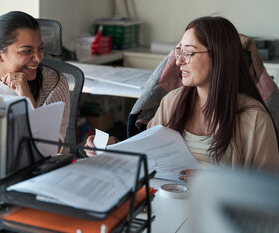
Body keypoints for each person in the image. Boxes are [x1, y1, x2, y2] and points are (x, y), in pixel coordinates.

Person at [85, 16, 279, 180]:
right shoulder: (172, 102)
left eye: (189, 53)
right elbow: (146, 155)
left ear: (219, 57)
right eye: (179, 51)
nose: (178, 61)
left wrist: (214, 181)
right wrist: (114, 148)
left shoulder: (255, 120)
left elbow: (268, 195)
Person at [0, 11, 70, 142]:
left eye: (40, 48)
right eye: (26, 51)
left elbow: (52, 148)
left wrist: (26, 99)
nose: (39, 58)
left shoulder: (54, 84)